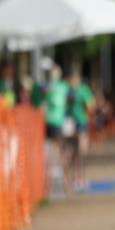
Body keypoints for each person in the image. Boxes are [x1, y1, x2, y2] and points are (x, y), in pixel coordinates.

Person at [43, 65, 72, 194]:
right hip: (49, 122)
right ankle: (52, 181)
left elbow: (70, 97)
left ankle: (65, 180)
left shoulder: (61, 87)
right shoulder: (48, 86)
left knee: (59, 151)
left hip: (57, 122)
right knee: (50, 152)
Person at [66, 70, 95, 191]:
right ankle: (74, 178)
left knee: (78, 152)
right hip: (74, 123)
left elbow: (90, 105)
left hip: (79, 123)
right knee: (76, 152)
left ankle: (77, 178)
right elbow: (91, 106)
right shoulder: (71, 91)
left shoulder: (82, 90)